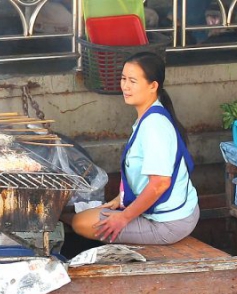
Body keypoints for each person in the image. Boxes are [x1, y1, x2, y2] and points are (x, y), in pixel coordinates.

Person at [69, 52, 199, 245]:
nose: (125, 86)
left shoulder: (154, 126)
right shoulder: (150, 116)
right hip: (174, 211)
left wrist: (123, 217)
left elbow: (160, 183)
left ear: (153, 86)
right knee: (86, 216)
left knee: (81, 223)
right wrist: (121, 198)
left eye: (132, 81)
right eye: (123, 79)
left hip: (170, 223)